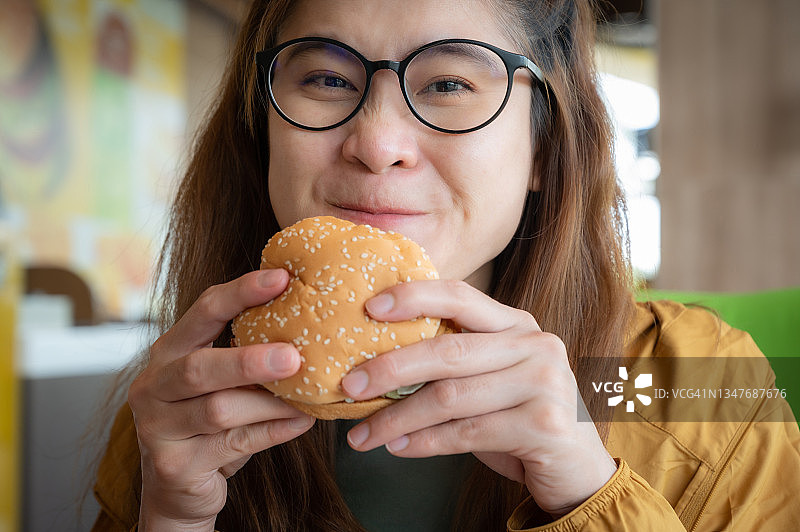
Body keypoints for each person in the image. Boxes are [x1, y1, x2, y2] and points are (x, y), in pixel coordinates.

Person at [91, 0, 800, 530]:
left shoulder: (699, 383)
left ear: (546, 149)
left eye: (449, 85)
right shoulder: (184, 405)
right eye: (329, 80)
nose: (377, 142)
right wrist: (172, 522)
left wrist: (588, 492)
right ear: (260, 131)